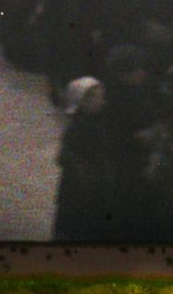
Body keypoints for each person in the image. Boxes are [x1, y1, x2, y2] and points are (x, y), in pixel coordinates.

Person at [52, 77, 116, 239]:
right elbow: (66, 156)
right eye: (98, 98)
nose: (103, 101)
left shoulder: (92, 122)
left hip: (84, 188)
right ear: (82, 102)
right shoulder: (82, 128)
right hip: (82, 191)